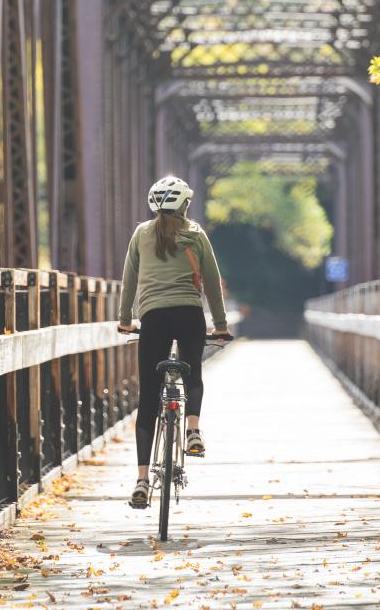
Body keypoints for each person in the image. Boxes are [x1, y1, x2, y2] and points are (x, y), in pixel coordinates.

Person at [117, 175, 231, 509]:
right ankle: (193, 430)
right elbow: (211, 281)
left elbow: (129, 281)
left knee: (148, 399)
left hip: (153, 319)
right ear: (185, 205)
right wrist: (220, 326)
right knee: (193, 372)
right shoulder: (196, 234)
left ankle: (140, 481)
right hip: (189, 315)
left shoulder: (141, 234)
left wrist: (126, 320)